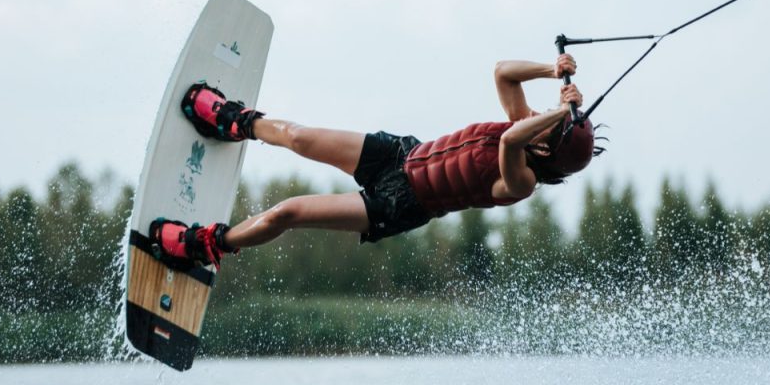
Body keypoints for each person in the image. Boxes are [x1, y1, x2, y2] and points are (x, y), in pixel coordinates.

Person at [150, 54, 601, 268]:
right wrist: (552, 70)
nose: (540, 114)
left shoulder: (520, 180)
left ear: (547, 150)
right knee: (300, 137)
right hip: (402, 153)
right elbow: (501, 71)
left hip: (399, 205)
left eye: (551, 124)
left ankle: (207, 244)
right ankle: (234, 121)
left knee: (289, 211)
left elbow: (508, 146)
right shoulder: (522, 121)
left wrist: (563, 112)